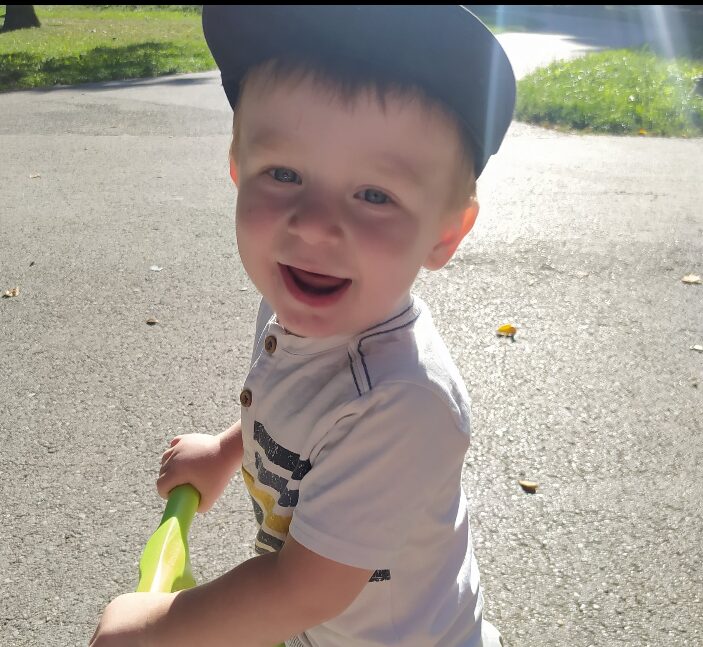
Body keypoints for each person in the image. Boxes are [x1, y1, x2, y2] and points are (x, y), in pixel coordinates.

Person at [90, 6, 515, 647]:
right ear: (238, 169)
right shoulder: (297, 299)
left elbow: (304, 589)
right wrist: (227, 450)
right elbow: (304, 424)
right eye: (284, 174)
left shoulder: (402, 403)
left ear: (446, 232)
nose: (314, 227)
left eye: (375, 195)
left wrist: (157, 628)